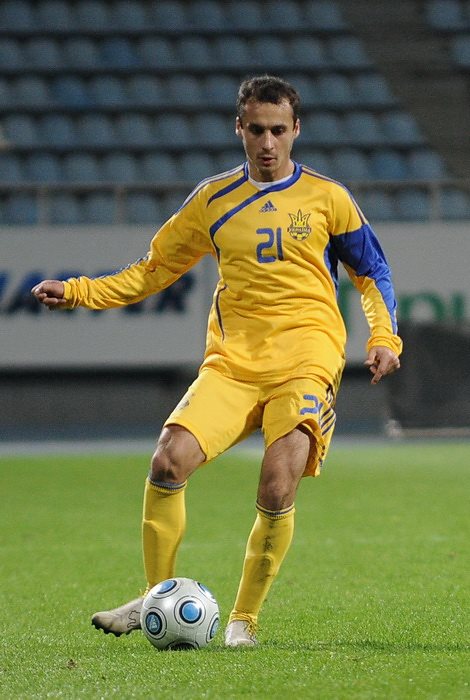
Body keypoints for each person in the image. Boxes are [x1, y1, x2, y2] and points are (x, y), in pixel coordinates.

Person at [32, 75, 402, 647]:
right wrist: (80, 291)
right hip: (233, 364)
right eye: (256, 130)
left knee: (277, 484)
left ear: (296, 129)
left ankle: (242, 622)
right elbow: (152, 270)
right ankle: (155, 598)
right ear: (239, 129)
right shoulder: (213, 200)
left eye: (278, 130)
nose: (267, 143)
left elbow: (372, 271)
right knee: (167, 460)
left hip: (306, 361)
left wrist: (384, 337)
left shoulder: (328, 198)